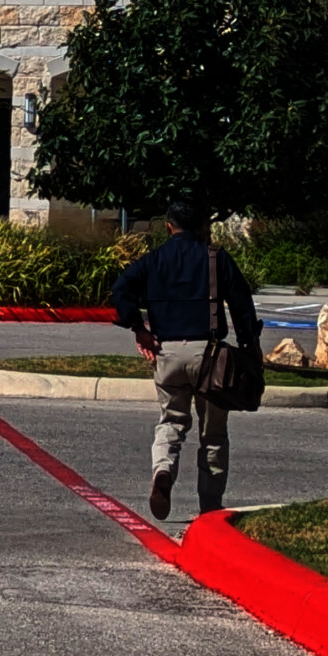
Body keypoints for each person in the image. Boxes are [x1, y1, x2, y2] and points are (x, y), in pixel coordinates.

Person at [112, 201, 260, 519]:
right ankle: (209, 508)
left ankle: (163, 469)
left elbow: (121, 289)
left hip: (166, 353)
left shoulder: (152, 261)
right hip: (208, 356)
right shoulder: (215, 258)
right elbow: (241, 304)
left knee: (171, 422)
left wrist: (139, 329)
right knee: (214, 435)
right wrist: (249, 345)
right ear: (200, 227)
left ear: (168, 226)